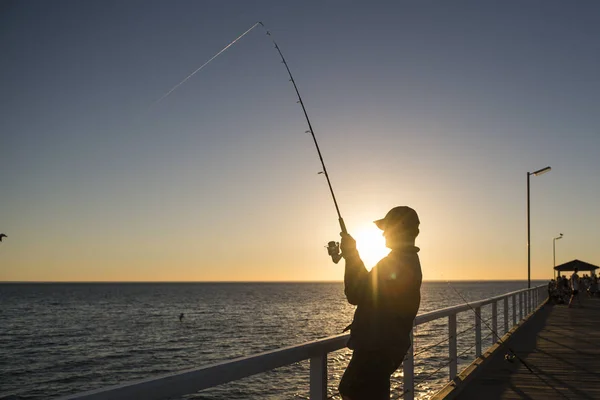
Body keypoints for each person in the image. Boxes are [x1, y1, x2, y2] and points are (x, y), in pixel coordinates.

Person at [338, 206, 422, 400]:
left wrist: (351, 255)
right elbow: (382, 301)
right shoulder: (409, 260)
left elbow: (356, 293)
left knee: (350, 389)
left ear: (399, 229)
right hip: (389, 346)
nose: (383, 233)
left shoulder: (393, 263)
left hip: (377, 348)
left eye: (387, 228)